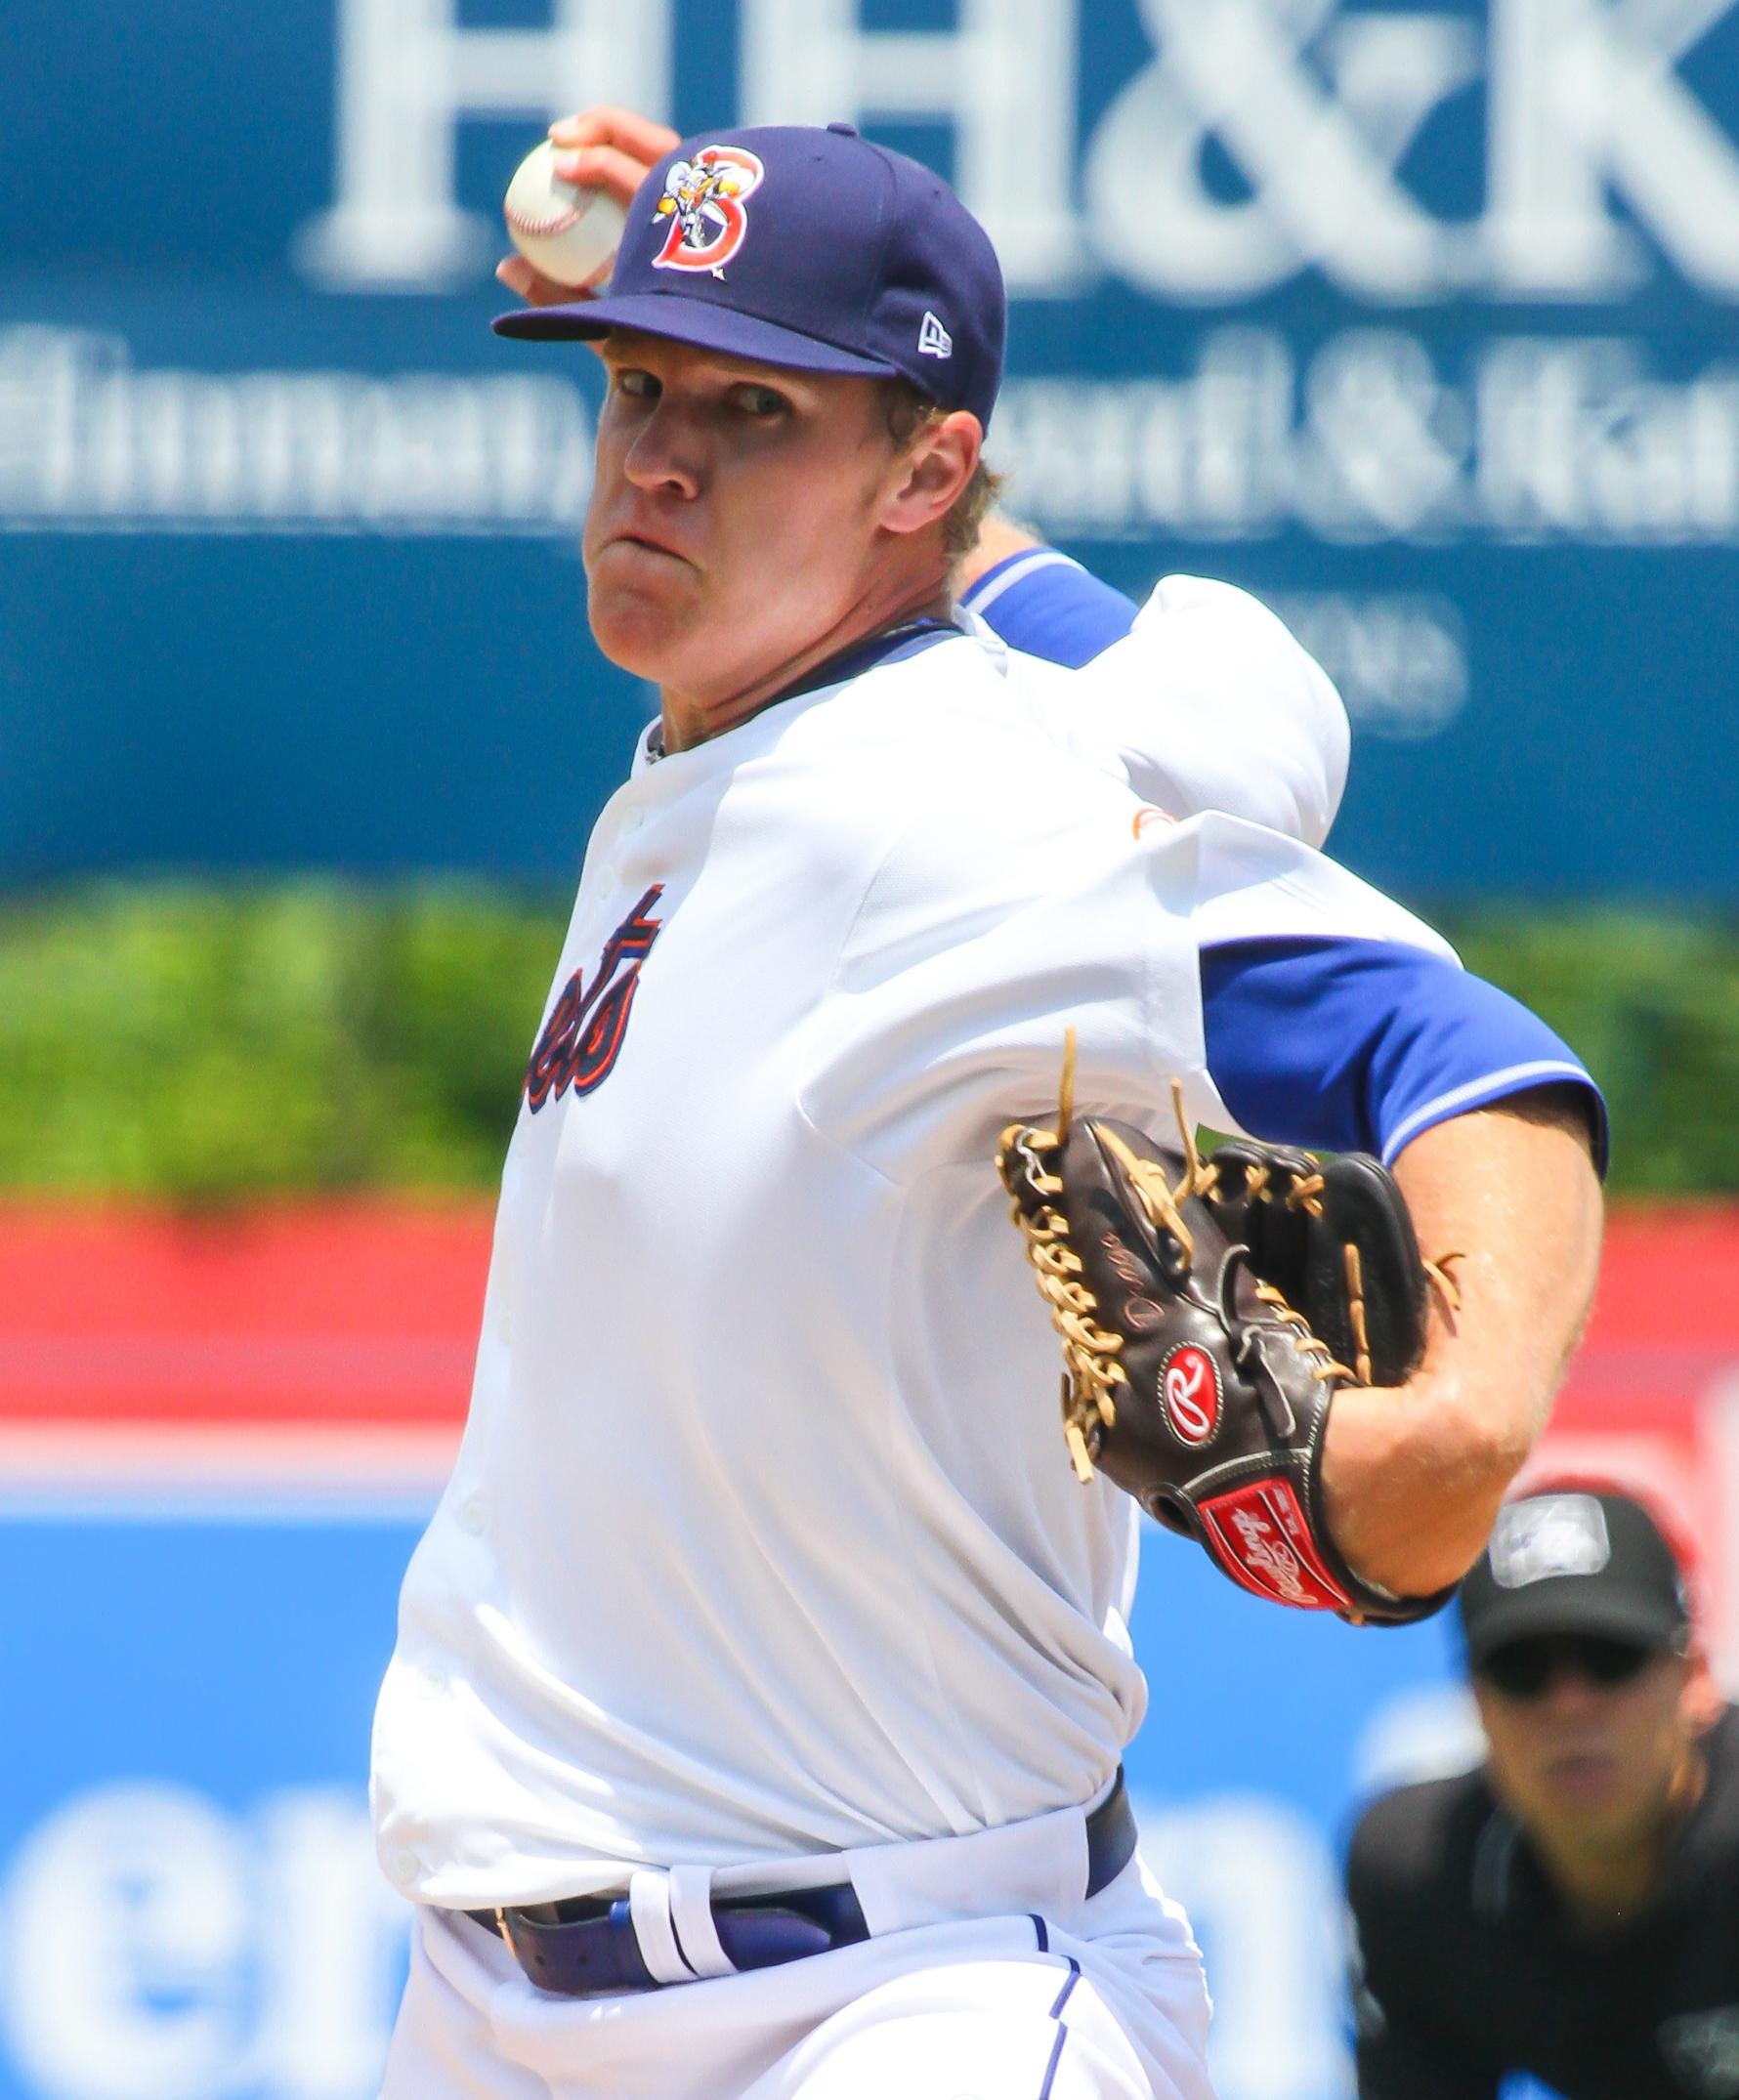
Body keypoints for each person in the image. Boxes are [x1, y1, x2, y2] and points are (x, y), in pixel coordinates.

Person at [372, 118, 1605, 2098]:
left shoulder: (931, 808)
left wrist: (1457, 1420)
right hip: (494, 2014)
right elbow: (1220, 725)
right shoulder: (765, 735)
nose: (654, 454)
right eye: (630, 390)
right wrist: (774, 396)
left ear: (926, 470)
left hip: (893, 2000)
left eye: (749, 408)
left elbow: (1462, 1055)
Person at [1345, 1485, 1739, 2100]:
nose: (1570, 1706)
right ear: (1477, 1706)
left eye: (1611, 1658)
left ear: (1694, 1680)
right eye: (1522, 1669)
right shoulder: (1420, 1878)